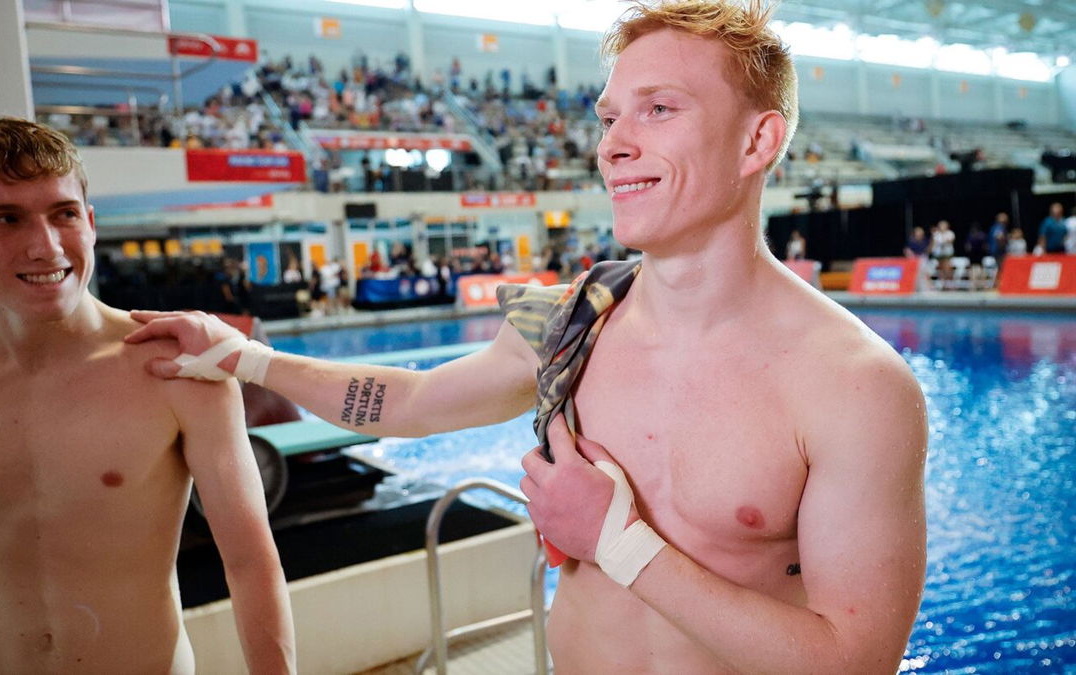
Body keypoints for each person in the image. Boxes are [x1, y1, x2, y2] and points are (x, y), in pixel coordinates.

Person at [126, 2, 927, 672]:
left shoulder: (853, 385)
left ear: (759, 141)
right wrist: (248, 358)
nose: (613, 143)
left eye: (659, 108)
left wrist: (620, 543)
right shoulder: (574, 319)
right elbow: (412, 401)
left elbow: (854, 658)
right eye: (611, 115)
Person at [0, 118, 295, 673]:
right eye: (6, 218)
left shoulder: (177, 369)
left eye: (63, 214)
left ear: (91, 222)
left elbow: (249, 564)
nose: (45, 246)